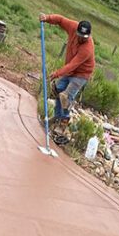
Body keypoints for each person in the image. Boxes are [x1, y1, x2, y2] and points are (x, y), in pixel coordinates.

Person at [39, 13, 95, 143]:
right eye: (80, 36)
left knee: (65, 96)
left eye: (84, 37)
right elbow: (60, 20)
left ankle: (63, 125)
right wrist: (47, 18)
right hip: (70, 71)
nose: (81, 39)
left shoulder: (87, 48)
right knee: (58, 90)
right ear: (77, 30)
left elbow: (72, 65)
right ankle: (57, 118)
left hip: (81, 75)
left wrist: (57, 73)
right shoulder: (72, 26)